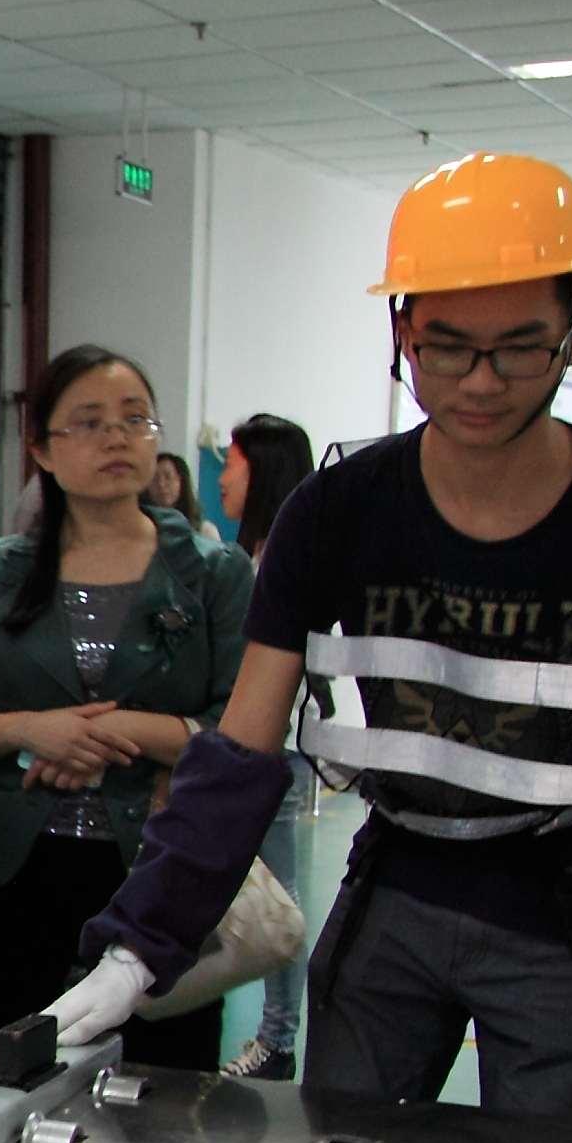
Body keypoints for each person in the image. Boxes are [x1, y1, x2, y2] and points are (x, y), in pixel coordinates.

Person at [42, 152, 572, 1143]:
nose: (479, 383)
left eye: (519, 349)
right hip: (399, 885)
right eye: (446, 349)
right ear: (402, 333)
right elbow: (239, 751)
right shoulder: (337, 514)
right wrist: (139, 945)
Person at [0, 347, 251, 1087]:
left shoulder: (213, 573)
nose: (117, 438)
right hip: (7, 878)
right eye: (89, 422)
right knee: (2, 1087)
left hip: (157, 876)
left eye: (135, 420)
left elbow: (242, 733)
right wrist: (30, 731)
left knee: (163, 1094)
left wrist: (113, 733)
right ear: (42, 449)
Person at [217, 412, 318, 1080]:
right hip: (246, 750)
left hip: (274, 753)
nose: (223, 477)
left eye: (232, 462)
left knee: (279, 904)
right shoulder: (248, 556)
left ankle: (278, 1041)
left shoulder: (286, 557)